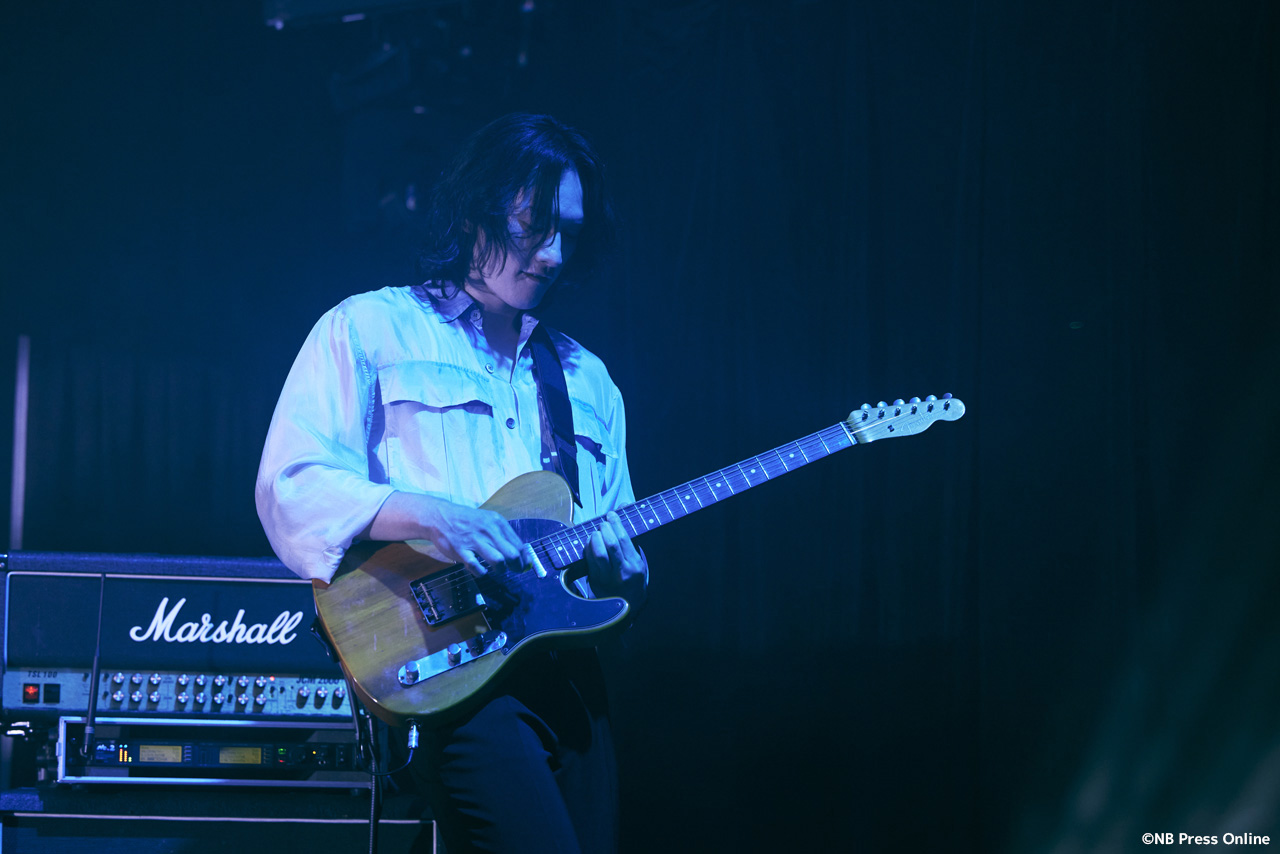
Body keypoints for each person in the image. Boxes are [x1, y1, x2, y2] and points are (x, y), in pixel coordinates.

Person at [255, 113, 648, 853]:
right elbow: (293, 484)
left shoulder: (589, 380)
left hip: (569, 677)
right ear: (476, 213)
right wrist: (430, 515)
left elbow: (612, 536)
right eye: (534, 226)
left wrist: (628, 577)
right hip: (447, 668)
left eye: (569, 233)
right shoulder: (371, 328)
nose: (554, 254)